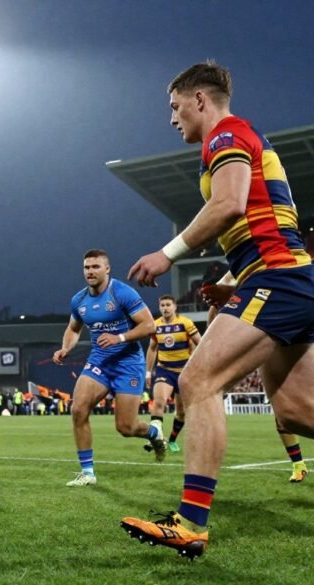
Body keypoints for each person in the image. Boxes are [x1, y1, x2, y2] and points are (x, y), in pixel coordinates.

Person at [122, 61, 314, 559]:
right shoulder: (240, 137)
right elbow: (262, 220)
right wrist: (232, 283)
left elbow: (229, 204)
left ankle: (190, 523)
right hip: (285, 279)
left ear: (200, 100)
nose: (172, 118)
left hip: (279, 279)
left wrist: (168, 253)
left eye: (175, 107)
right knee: (295, 410)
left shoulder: (225, 134)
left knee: (197, 381)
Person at [53, 249, 161, 488]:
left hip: (128, 363)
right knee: (78, 409)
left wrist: (119, 337)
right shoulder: (79, 300)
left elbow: (149, 325)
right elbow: (73, 329)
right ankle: (87, 472)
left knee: (126, 427)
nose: (90, 272)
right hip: (99, 362)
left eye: (95, 267)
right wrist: (65, 348)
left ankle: (153, 432)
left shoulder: (122, 293)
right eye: (86, 267)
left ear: (107, 269)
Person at [192, 272, 308, 483]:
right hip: (267, 350)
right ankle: (298, 464)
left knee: (294, 415)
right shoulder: (221, 305)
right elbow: (213, 333)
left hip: (289, 338)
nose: (209, 298)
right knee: (286, 417)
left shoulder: (263, 282)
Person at [145, 296, 201, 453]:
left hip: (184, 372)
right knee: (159, 402)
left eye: (168, 305)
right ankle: (155, 437)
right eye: (162, 305)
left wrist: (199, 366)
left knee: (181, 412)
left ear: (175, 307)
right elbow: (152, 349)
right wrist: (148, 372)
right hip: (164, 370)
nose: (165, 308)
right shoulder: (155, 325)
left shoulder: (185, 323)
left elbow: (200, 343)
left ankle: (172, 440)